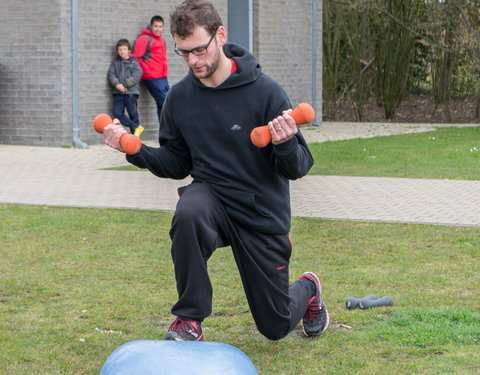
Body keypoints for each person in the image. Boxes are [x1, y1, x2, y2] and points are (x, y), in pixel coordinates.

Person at [103, 0, 329, 342]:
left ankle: (309, 288)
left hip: (261, 214)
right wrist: (133, 150)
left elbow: (299, 167)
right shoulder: (179, 99)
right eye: (183, 53)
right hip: (213, 202)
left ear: (219, 35)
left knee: (276, 326)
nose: (193, 61)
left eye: (199, 50)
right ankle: (188, 319)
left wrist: (283, 143)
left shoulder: (265, 92)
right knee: (189, 210)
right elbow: (178, 163)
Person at [134, 15, 170, 127]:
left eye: (160, 26)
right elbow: (137, 58)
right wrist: (144, 71)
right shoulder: (144, 38)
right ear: (151, 26)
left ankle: (164, 133)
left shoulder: (161, 40)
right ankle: (170, 131)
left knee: (162, 104)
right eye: (156, 26)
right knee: (166, 103)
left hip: (163, 77)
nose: (158, 29)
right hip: (152, 77)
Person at [107, 39, 143, 136]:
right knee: (117, 113)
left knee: (133, 114)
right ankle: (136, 127)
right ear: (117, 51)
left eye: (124, 49)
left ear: (129, 50)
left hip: (131, 93)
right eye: (120, 49)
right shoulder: (115, 62)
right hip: (118, 92)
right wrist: (117, 85)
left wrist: (125, 85)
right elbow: (111, 74)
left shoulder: (133, 62)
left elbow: (136, 75)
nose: (122, 51)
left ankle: (135, 136)